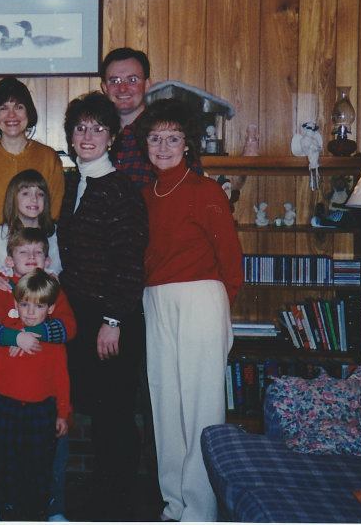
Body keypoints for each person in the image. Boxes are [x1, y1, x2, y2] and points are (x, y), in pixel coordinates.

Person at [136, 98, 243, 522]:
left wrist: (217, 310)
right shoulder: (145, 195)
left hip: (201, 299)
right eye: (155, 138)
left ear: (187, 144)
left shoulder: (206, 191)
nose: (163, 146)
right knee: (165, 404)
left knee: (200, 407)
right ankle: (175, 503)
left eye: (173, 138)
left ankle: (201, 509)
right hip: (156, 300)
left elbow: (231, 260)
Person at [56, 91, 149, 519]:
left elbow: (130, 261)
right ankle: (103, 495)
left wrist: (113, 320)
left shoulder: (121, 190)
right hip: (80, 312)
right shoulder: (72, 184)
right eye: (81, 128)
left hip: (113, 317)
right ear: (71, 137)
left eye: (97, 128)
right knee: (97, 411)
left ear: (111, 137)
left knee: (114, 415)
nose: (88, 136)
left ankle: (118, 506)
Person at [0, 227, 76, 521]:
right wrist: (14, 337)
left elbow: (68, 328)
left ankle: (52, 510)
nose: (32, 257)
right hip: (8, 399)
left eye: (38, 252)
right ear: (10, 260)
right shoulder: (1, 291)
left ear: (47, 259)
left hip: (43, 401)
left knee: (46, 460)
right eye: (24, 252)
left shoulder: (54, 290)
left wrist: (29, 333)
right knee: (3, 459)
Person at [0, 76, 65, 229]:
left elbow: (54, 213)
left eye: (19, 107)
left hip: (37, 242)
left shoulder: (48, 158)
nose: (11, 115)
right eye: (3, 108)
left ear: (28, 112)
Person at [100, 47, 201, 185]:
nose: (122, 88)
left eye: (132, 80)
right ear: (104, 87)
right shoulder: (95, 135)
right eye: (115, 81)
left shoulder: (171, 133)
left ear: (147, 85)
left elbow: (194, 185)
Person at [0, 169, 62, 291]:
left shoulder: (57, 236)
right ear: (13, 198)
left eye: (40, 194)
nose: (34, 199)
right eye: (26, 193)